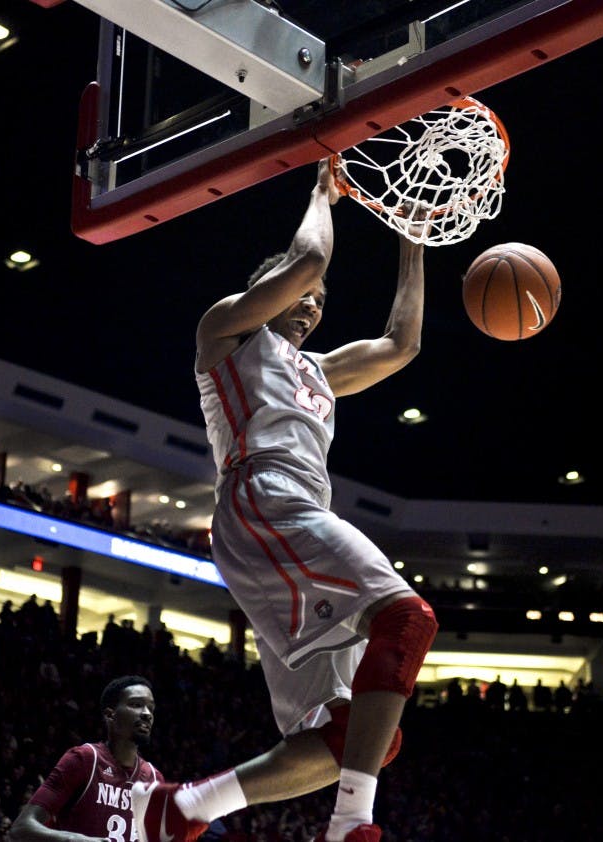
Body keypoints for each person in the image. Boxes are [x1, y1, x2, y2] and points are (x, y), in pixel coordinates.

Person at [130, 157, 438, 842]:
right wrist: (321, 190)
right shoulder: (227, 334)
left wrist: (411, 237)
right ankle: (351, 825)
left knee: (358, 737)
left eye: (322, 300)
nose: (314, 303)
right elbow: (306, 259)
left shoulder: (321, 371)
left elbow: (402, 343)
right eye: (304, 296)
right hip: (263, 501)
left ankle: (185, 808)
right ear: (265, 292)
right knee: (406, 619)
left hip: (290, 519)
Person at [9, 675, 162, 842]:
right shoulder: (84, 760)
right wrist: (76, 839)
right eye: (136, 705)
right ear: (110, 715)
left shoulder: (154, 779)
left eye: (151, 708)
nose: (147, 714)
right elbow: (21, 828)